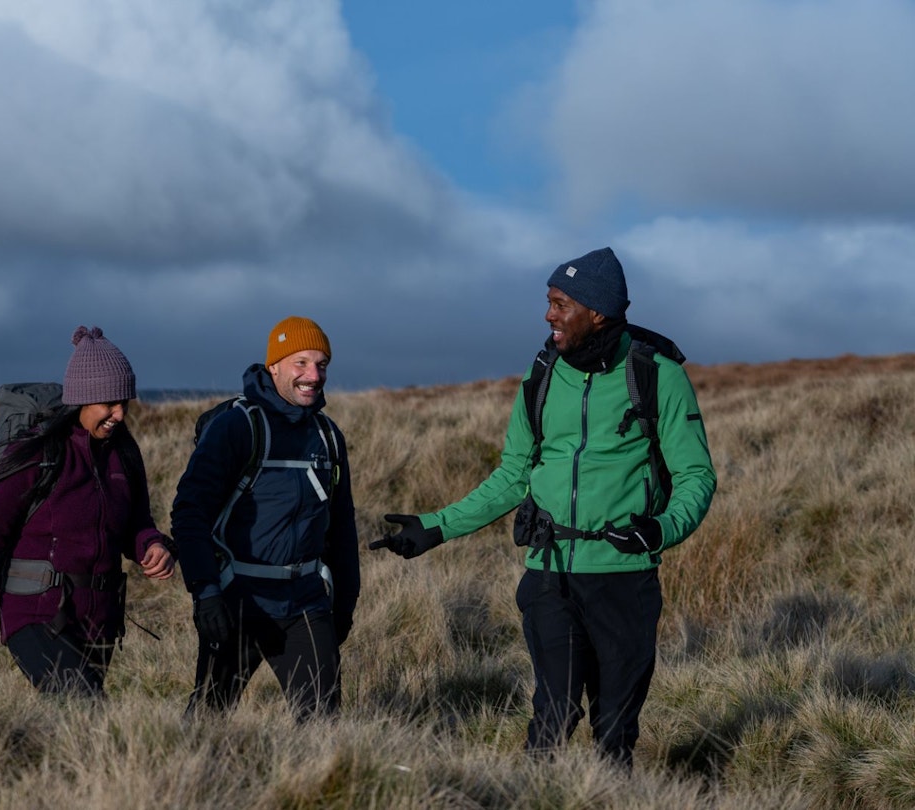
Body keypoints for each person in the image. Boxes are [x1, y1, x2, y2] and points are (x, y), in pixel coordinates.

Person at [372, 247, 716, 769]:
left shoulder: (656, 374)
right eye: (548, 301)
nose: (548, 315)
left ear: (597, 311)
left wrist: (660, 530)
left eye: (560, 303)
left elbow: (696, 475)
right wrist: (435, 527)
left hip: (624, 577)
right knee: (551, 714)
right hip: (548, 572)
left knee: (614, 728)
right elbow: (513, 474)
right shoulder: (542, 375)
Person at [0, 326, 175, 696]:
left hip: (99, 619)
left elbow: (136, 523)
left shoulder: (124, 453)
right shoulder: (36, 455)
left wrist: (153, 546)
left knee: (81, 727)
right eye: (109, 403)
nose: (119, 414)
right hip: (34, 615)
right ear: (82, 399)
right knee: (84, 703)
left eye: (124, 403)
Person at [172, 316, 360, 721]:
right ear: (273, 366)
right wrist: (204, 592)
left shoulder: (328, 436)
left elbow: (343, 526)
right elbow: (189, 512)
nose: (314, 375)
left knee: (323, 727)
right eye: (301, 363)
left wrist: (344, 604)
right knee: (208, 719)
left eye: (322, 364)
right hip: (238, 599)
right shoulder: (236, 427)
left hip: (306, 600)